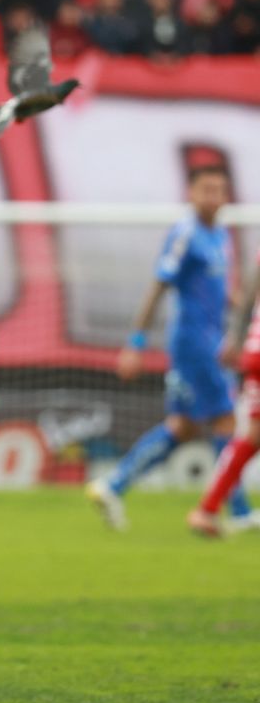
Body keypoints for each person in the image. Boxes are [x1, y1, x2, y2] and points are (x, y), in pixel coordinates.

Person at [87, 166, 255, 532]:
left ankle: (113, 486)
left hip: (210, 338)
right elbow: (158, 286)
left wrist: (243, 311)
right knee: (227, 420)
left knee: (184, 427)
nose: (213, 197)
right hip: (195, 343)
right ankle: (239, 511)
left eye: (219, 190)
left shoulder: (220, 234)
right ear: (191, 193)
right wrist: (135, 343)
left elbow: (216, 290)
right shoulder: (185, 234)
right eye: (206, 189)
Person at [188, 245, 260, 537]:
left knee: (252, 437)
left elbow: (248, 298)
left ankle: (207, 509)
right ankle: (207, 508)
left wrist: (236, 338)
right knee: (250, 436)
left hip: (255, 350)